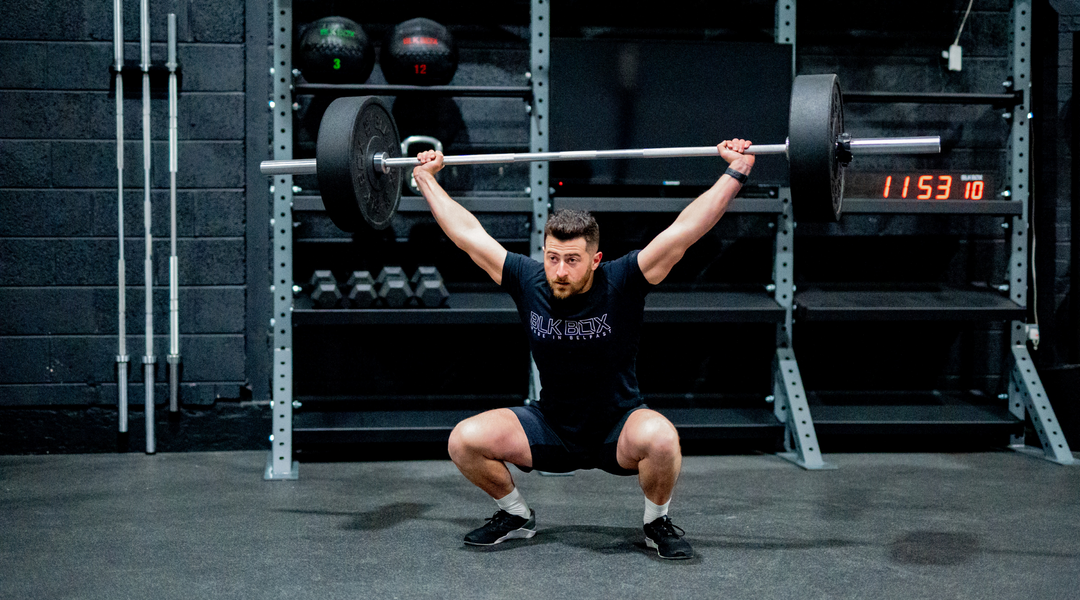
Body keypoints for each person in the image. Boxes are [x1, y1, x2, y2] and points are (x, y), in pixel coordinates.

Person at [413, 139, 755, 560]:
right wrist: (425, 179)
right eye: (552, 257)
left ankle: (655, 523)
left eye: (572, 260)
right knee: (464, 440)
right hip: (551, 426)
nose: (559, 270)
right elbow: (467, 234)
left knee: (663, 439)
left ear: (595, 259)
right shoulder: (527, 278)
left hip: (618, 425)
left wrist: (736, 171)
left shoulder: (624, 280)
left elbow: (687, 230)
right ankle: (516, 515)